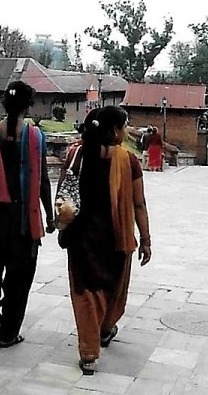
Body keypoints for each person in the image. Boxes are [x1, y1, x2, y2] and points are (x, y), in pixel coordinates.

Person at [57, 106, 152, 375]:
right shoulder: (128, 160)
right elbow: (139, 204)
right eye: (124, 125)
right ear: (114, 130)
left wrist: (60, 222)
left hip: (81, 238)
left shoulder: (76, 153)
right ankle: (106, 328)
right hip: (116, 238)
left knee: (85, 294)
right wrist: (145, 239)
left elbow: (63, 191)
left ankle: (89, 353)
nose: (126, 130)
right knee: (112, 288)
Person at [0, 81, 55, 346]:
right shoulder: (36, 137)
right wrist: (49, 215)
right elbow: (42, 180)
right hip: (23, 222)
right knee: (19, 279)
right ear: (28, 106)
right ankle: (8, 333)